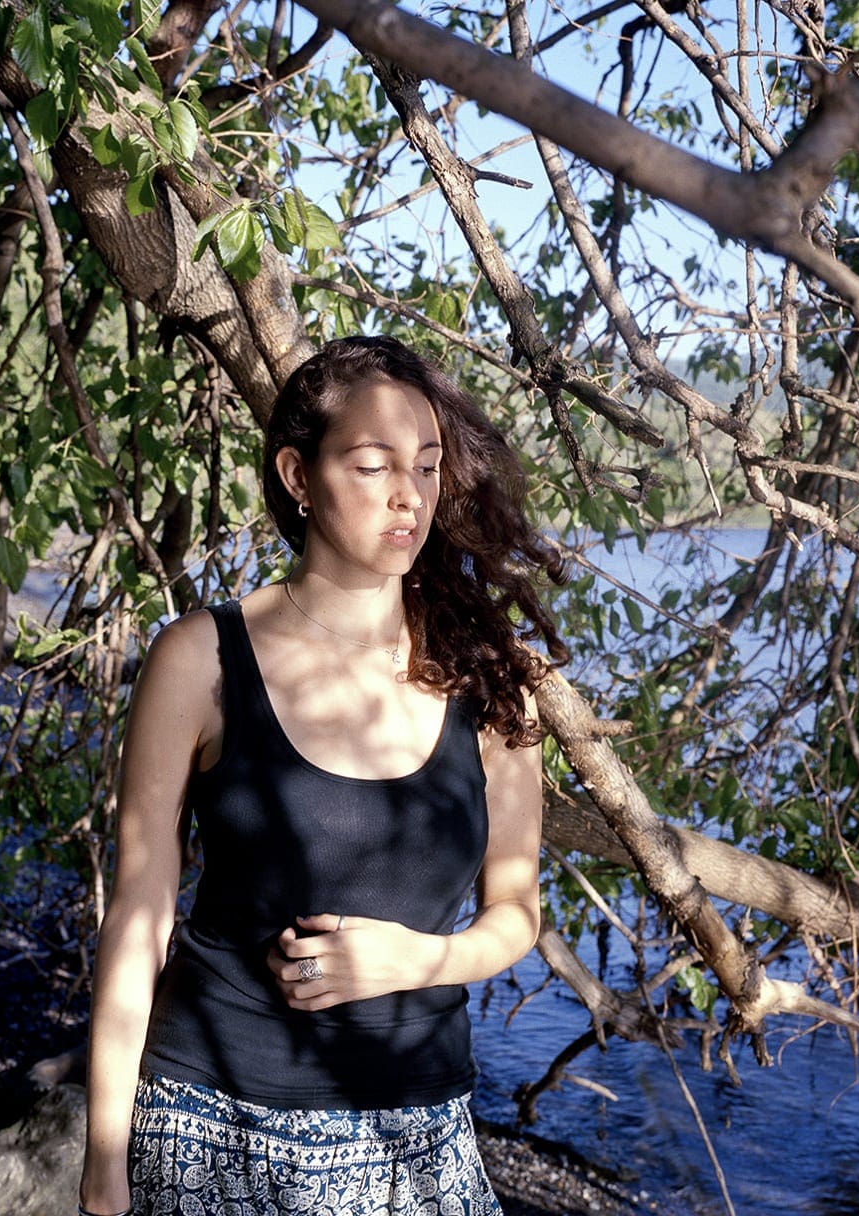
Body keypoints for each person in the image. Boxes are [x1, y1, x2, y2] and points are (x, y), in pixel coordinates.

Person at [77, 335, 568, 1216]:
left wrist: (421, 959)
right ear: (298, 476)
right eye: (374, 466)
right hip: (211, 1129)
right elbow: (141, 915)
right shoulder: (200, 658)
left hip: (419, 1138)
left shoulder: (493, 678)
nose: (408, 495)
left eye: (427, 467)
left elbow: (515, 912)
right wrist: (104, 1164)